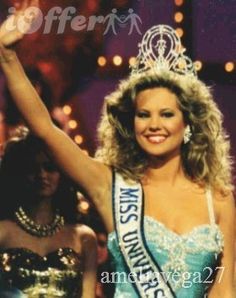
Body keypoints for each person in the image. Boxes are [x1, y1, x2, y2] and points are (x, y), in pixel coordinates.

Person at [0, 1, 235, 297]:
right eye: (143, 114)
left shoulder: (219, 201)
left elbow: (225, 291)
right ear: (131, 124)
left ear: (188, 123)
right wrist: (7, 57)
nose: (153, 124)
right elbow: (46, 131)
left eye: (167, 114)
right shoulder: (110, 186)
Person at [0, 128, 97, 298]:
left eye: (50, 167)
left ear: (63, 173)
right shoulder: (2, 232)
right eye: (32, 168)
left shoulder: (84, 238)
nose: (42, 175)